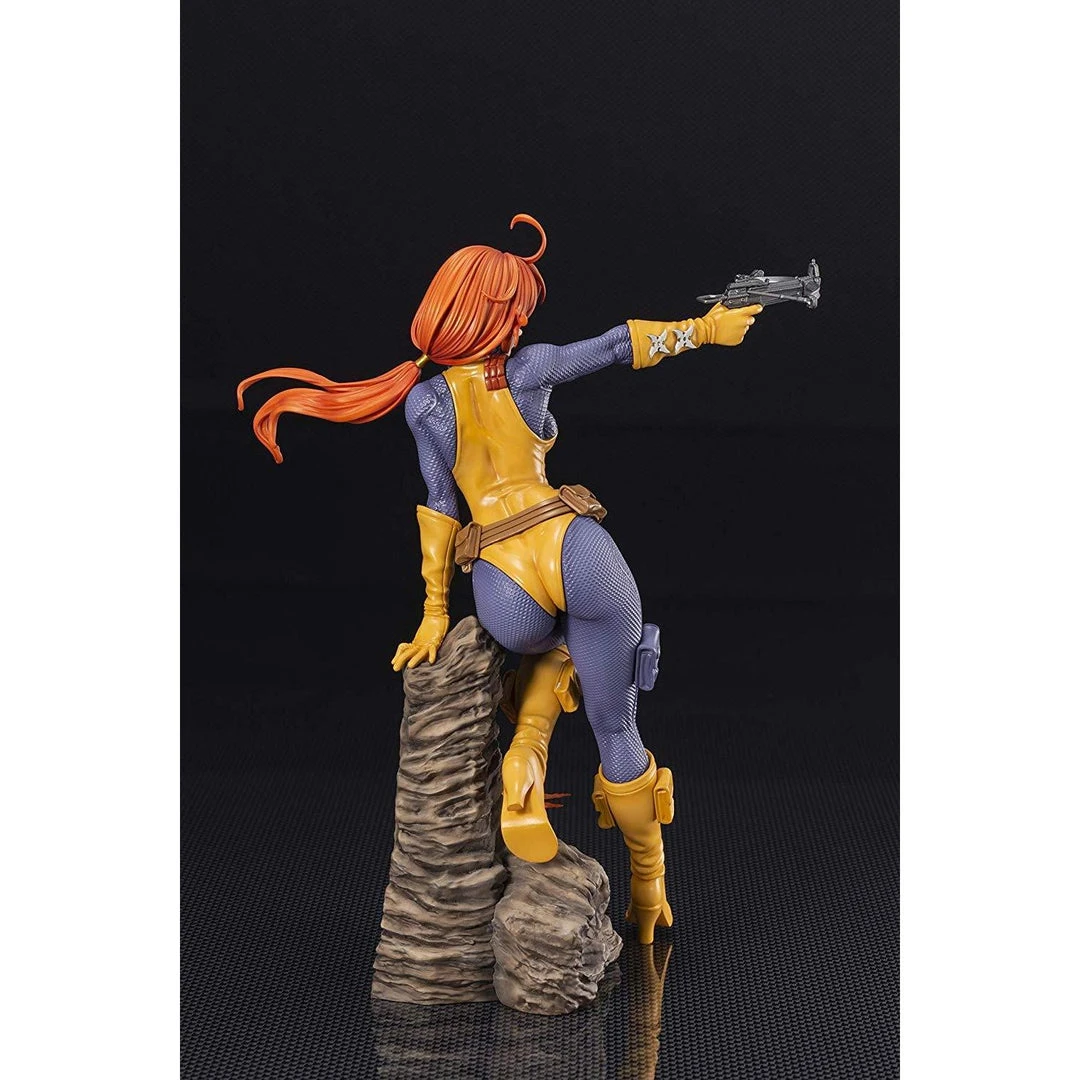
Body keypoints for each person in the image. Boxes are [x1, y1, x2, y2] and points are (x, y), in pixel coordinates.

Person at [237, 214, 761, 943]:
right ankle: (649, 891)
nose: (521, 323)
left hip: (504, 582)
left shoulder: (424, 403)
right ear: (487, 314)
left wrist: (432, 614)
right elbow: (616, 345)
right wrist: (704, 330)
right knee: (617, 725)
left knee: (547, 646)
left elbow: (439, 509)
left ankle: (526, 753)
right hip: (575, 547)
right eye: (514, 310)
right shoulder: (529, 370)